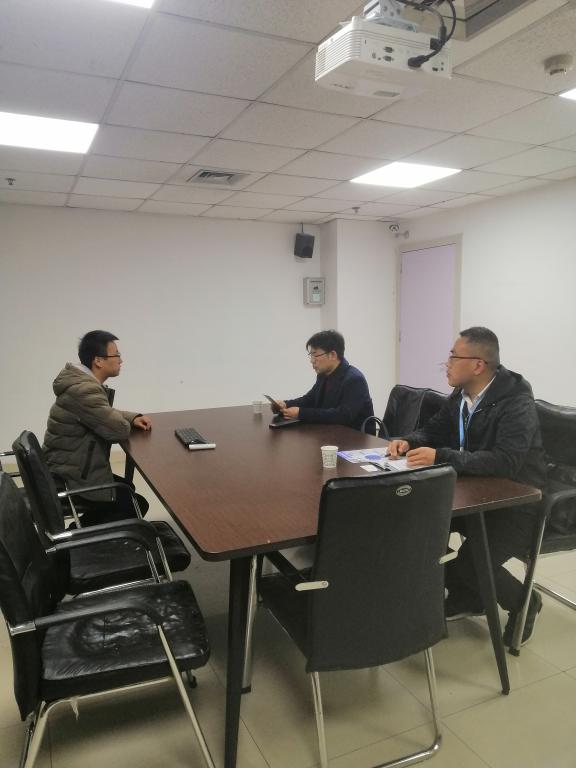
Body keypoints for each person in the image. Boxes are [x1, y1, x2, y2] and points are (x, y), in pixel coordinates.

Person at [388, 326, 546, 647]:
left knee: (472, 565)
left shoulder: (516, 401)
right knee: (414, 530)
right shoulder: (461, 396)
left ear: (477, 365)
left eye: (453, 357)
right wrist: (408, 441)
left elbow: (506, 462)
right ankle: (470, 595)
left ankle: (524, 601)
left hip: (515, 502)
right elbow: (433, 430)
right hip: (472, 491)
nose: (446, 364)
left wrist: (441, 456)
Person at [43, 330, 152, 525]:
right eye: (116, 355)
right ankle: (80, 535)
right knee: (134, 503)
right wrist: (125, 422)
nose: (121, 360)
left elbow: (102, 413)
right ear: (98, 361)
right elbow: (118, 430)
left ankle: (88, 530)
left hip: (67, 466)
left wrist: (132, 418)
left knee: (127, 487)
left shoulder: (79, 384)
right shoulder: (84, 390)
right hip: (71, 475)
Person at [273, 329, 374, 431]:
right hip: (331, 433)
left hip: (356, 437)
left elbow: (343, 416)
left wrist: (301, 413)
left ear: (332, 355)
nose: (312, 361)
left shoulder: (354, 379)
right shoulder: (323, 375)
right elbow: (309, 399)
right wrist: (286, 404)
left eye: (315, 355)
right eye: (311, 355)